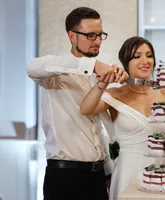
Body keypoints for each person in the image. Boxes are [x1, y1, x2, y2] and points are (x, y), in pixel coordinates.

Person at [80, 36, 165, 200]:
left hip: (162, 173)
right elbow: (85, 109)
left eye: (149, 55)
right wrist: (103, 82)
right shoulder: (115, 95)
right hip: (128, 173)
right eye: (137, 56)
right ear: (125, 62)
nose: (145, 61)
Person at [27, 7, 128, 200]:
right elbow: (32, 67)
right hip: (65, 178)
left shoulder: (100, 76)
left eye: (100, 35)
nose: (97, 41)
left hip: (98, 177)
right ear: (72, 36)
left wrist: (108, 172)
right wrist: (91, 65)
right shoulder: (54, 74)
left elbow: (97, 129)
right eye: (91, 35)